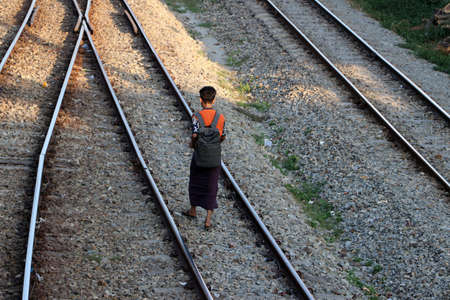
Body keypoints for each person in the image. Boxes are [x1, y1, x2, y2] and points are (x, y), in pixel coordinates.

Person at [184, 86, 226, 229]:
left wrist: (193, 144)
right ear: (213, 100)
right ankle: (208, 219)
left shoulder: (196, 116)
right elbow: (222, 136)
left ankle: (193, 210)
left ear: (201, 100)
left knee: (195, 181)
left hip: (199, 155)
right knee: (212, 185)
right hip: (214, 157)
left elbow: (195, 134)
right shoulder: (220, 117)